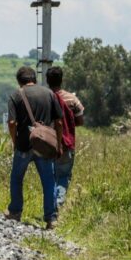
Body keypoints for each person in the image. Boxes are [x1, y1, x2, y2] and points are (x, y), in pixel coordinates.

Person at [6, 66, 63, 229]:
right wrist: (58, 144)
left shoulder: (16, 95)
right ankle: (51, 218)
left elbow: (11, 123)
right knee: (48, 181)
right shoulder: (49, 94)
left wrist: (15, 141)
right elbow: (59, 122)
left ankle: (15, 212)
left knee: (17, 178)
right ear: (35, 79)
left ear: (19, 81)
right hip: (44, 146)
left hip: (23, 145)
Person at [46, 66, 85, 212]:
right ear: (62, 80)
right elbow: (80, 121)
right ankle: (58, 204)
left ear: (47, 80)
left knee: (49, 176)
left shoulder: (45, 97)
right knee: (63, 176)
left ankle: (49, 205)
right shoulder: (71, 98)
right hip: (66, 144)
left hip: (46, 144)